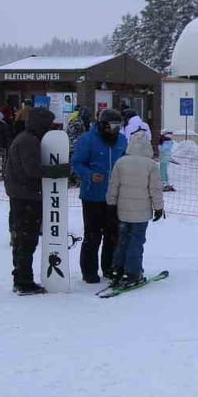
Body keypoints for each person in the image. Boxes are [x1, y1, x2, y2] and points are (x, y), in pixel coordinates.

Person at [71, 109, 127, 284]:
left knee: (113, 234)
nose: (116, 130)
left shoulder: (122, 141)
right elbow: (76, 163)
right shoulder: (87, 140)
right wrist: (88, 174)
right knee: (93, 235)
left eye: (119, 126)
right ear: (103, 125)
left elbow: (125, 161)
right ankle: (89, 271)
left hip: (114, 196)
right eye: (113, 126)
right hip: (92, 196)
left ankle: (109, 267)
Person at [4, 106, 55, 294]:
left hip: (22, 194)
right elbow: (32, 170)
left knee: (23, 239)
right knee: (27, 239)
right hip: (26, 196)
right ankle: (23, 280)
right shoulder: (29, 141)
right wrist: (55, 172)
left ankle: (21, 277)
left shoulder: (26, 138)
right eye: (48, 125)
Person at [106, 130, 165, 289]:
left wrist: (111, 203)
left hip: (123, 211)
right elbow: (155, 189)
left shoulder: (121, 162)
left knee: (123, 240)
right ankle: (132, 273)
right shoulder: (150, 165)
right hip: (141, 213)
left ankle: (117, 270)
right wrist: (159, 208)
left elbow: (113, 186)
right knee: (136, 242)